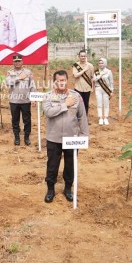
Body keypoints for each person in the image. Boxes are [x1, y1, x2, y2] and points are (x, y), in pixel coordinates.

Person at [43, 70, 89, 203]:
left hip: (71, 138)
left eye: (63, 80)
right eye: (59, 80)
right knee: (52, 165)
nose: (61, 83)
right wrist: (65, 105)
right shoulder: (48, 96)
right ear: (54, 82)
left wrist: (84, 135)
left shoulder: (76, 96)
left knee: (70, 164)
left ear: (67, 81)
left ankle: (68, 188)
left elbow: (82, 117)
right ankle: (50, 189)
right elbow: (48, 112)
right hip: (54, 138)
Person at [6, 54, 35, 146]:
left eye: (19, 61)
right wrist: (19, 78)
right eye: (16, 61)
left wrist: (33, 98)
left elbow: (32, 86)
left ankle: (26, 137)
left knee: (27, 120)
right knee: (15, 120)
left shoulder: (28, 72)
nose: (17, 63)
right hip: (14, 101)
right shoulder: (9, 73)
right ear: (13, 62)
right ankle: (17, 137)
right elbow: (8, 83)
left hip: (25, 100)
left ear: (22, 62)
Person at [72, 49, 94, 116]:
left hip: (87, 88)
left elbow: (92, 77)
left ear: (86, 57)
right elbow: (75, 75)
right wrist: (84, 70)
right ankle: (78, 118)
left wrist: (92, 87)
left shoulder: (90, 66)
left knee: (86, 104)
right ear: (79, 56)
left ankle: (85, 119)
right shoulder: (75, 65)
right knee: (78, 104)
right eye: (81, 56)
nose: (83, 57)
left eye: (84, 56)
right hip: (78, 88)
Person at [93, 58, 114, 125]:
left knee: (106, 104)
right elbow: (94, 80)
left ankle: (105, 118)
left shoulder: (109, 71)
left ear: (105, 63)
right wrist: (101, 74)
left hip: (106, 89)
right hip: (98, 89)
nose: (101, 64)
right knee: (99, 104)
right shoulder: (96, 72)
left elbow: (111, 82)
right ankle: (100, 118)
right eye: (99, 63)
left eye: (102, 63)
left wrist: (111, 91)